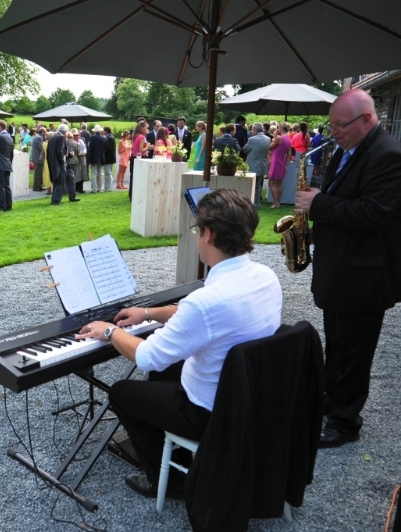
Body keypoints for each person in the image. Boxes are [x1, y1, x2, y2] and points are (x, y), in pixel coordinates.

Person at [76, 188, 282, 498]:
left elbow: (146, 356)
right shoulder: (265, 277)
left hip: (210, 411)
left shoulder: (206, 303)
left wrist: (109, 332)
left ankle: (172, 481)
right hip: (252, 395)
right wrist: (148, 313)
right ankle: (169, 450)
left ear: (209, 234)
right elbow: (199, 314)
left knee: (122, 393)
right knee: (164, 372)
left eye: (197, 229)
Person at [294, 88, 401, 448]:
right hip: (344, 270)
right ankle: (332, 404)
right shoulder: (351, 149)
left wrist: (318, 205)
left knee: (354, 353)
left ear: (367, 119)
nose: (333, 133)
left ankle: (345, 423)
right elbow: (346, 200)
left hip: (364, 278)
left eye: (339, 126)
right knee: (338, 346)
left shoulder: (387, 156)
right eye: (331, 125)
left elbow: (375, 214)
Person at [243, 122, 271, 209]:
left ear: (255, 129)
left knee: (250, 185)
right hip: (262, 164)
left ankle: (250, 202)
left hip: (252, 164)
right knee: (258, 186)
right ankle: (257, 203)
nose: (251, 131)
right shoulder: (268, 139)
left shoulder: (252, 139)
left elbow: (245, 149)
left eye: (252, 129)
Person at [47, 123, 76, 205]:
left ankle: (72, 197)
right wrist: (62, 162)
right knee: (60, 183)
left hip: (58, 163)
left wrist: (68, 154)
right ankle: (55, 201)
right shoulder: (61, 137)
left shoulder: (53, 137)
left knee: (70, 179)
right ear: (65, 132)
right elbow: (59, 152)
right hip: (60, 164)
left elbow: (50, 152)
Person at [267, 122, 292, 208]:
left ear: (281, 128)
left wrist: (274, 137)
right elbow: (289, 154)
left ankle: (276, 202)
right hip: (282, 161)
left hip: (275, 160)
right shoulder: (289, 139)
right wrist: (286, 165)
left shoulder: (279, 138)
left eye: (278, 127)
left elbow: (270, 147)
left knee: (271, 182)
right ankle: (278, 202)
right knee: (279, 182)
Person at [87, 124, 106, 193]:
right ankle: (100, 188)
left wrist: (89, 160)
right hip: (102, 158)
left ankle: (94, 189)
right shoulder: (104, 138)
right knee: (100, 174)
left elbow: (90, 149)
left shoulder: (92, 138)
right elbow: (105, 149)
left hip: (94, 158)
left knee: (94, 174)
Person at [31, 127, 45, 191]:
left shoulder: (36, 136)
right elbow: (41, 148)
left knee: (38, 172)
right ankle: (36, 187)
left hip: (36, 157)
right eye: (45, 132)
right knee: (38, 173)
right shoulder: (39, 138)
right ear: (42, 132)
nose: (45, 133)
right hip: (38, 158)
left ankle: (39, 186)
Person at [102, 126, 116, 191]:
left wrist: (102, 150)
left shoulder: (110, 138)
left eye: (103, 130)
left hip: (109, 158)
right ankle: (107, 187)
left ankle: (109, 187)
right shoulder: (108, 137)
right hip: (108, 158)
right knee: (107, 173)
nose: (102, 132)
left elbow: (109, 148)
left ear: (106, 131)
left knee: (108, 173)